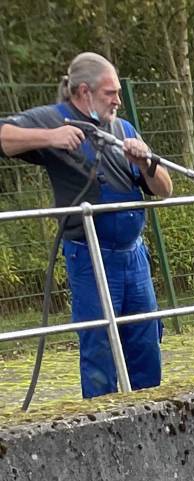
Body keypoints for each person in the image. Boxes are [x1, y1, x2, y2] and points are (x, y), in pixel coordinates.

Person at [0, 52, 174, 398]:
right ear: (84, 92)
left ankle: (151, 418)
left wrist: (147, 165)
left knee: (145, 341)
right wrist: (51, 138)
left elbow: (165, 190)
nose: (118, 101)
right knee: (99, 349)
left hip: (133, 257)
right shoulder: (54, 118)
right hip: (91, 258)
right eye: (111, 93)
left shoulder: (123, 128)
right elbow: (4, 136)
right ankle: (104, 422)